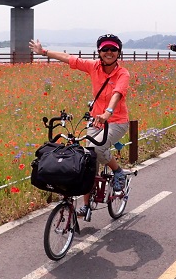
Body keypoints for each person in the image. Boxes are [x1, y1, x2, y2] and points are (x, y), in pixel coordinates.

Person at [29, 34, 129, 217]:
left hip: (117, 121)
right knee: (87, 161)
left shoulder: (123, 73)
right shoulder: (93, 67)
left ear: (118, 52)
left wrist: (108, 112)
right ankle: (86, 205)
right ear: (99, 51)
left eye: (113, 49)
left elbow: (117, 93)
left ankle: (118, 172)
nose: (109, 52)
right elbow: (68, 58)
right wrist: (43, 52)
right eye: (105, 49)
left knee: (96, 148)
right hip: (96, 120)